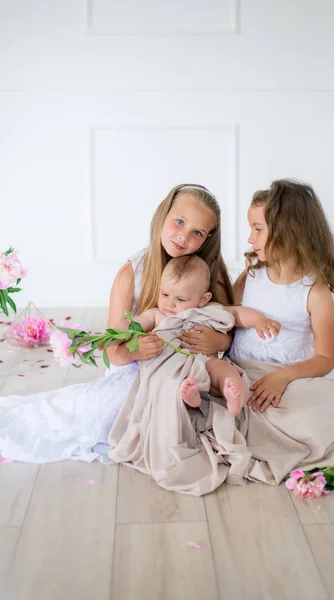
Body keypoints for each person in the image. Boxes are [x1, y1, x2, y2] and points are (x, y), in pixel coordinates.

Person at [0, 184, 235, 463]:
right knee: (91, 414)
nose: (183, 237)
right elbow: (112, 351)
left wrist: (219, 341)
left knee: (193, 405)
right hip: (134, 370)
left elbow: (230, 331)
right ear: (163, 215)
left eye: (196, 232)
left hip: (189, 373)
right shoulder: (132, 273)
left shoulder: (209, 276)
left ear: (207, 238)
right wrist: (135, 351)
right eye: (179, 222)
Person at [229, 179, 334, 427]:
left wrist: (283, 377)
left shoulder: (314, 293)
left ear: (288, 233)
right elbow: (227, 313)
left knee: (295, 406)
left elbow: (324, 359)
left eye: (258, 229)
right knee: (244, 407)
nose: (250, 238)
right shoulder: (251, 277)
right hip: (246, 370)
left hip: (293, 377)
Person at [133, 254, 280, 416]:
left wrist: (257, 319)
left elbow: (237, 312)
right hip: (176, 368)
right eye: (165, 295)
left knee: (224, 370)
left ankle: (234, 395)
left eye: (180, 299)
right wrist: (116, 335)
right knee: (169, 382)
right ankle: (192, 395)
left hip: (207, 362)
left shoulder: (207, 310)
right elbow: (134, 325)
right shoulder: (156, 315)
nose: (170, 303)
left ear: (203, 299)